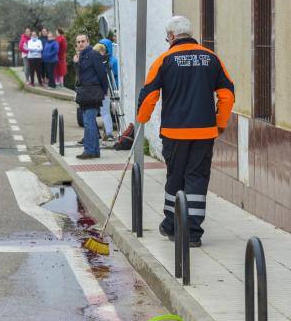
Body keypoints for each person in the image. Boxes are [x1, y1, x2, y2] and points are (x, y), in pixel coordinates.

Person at [136, 15, 235, 247]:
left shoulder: (164, 60)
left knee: (175, 177)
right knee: (197, 179)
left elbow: (149, 95)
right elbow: (227, 94)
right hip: (204, 133)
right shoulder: (212, 59)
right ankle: (192, 233)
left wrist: (142, 120)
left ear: (171, 36)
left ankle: (171, 224)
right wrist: (219, 124)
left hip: (174, 132)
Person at [73, 34, 108, 160]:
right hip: (84, 93)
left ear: (88, 42)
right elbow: (79, 77)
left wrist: (104, 91)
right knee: (90, 122)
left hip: (92, 93)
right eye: (78, 42)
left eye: (83, 41)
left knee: (88, 123)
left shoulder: (94, 54)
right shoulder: (80, 56)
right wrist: (76, 64)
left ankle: (89, 150)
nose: (81, 43)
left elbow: (102, 74)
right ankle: (95, 151)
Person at [93, 43, 115, 141]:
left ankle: (104, 133)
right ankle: (108, 133)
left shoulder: (95, 62)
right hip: (103, 90)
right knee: (105, 112)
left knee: (98, 112)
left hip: (99, 90)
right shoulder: (107, 62)